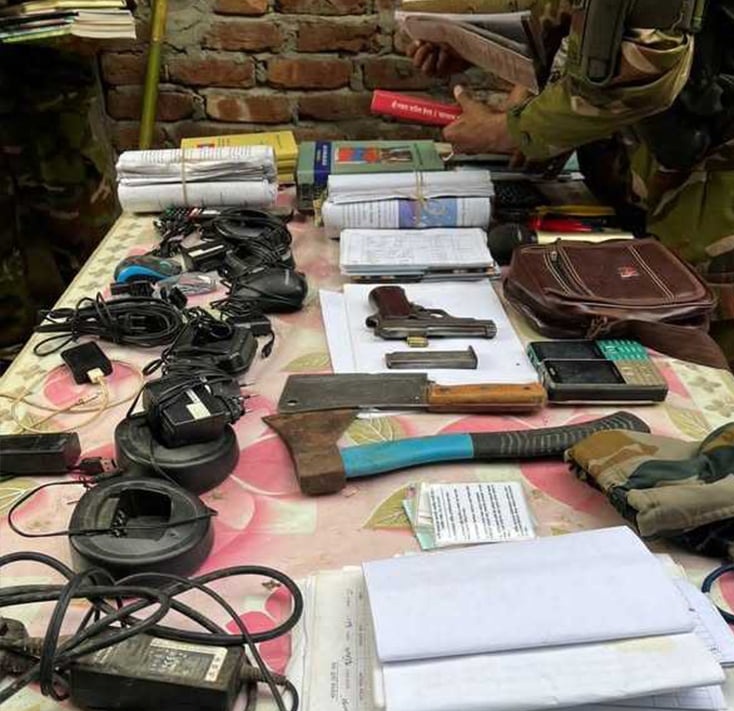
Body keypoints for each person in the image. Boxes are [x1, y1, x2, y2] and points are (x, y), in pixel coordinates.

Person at [406, 0, 734, 368]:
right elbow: (574, 20)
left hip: (711, 199)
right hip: (647, 171)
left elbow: (642, 72)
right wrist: (480, 48)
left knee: (702, 350)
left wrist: (507, 131)